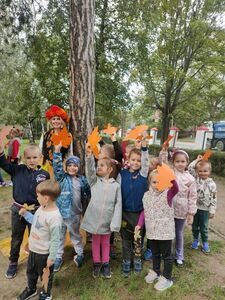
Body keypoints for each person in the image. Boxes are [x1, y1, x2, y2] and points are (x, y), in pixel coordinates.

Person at [0, 143, 50, 279]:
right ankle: (13, 261)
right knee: (16, 238)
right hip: (18, 209)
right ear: (23, 158)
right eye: (28, 158)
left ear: (40, 158)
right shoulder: (17, 170)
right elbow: (4, 164)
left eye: (35, 157)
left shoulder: (44, 174)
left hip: (35, 211)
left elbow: (47, 193)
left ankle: (36, 262)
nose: (32, 160)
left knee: (36, 237)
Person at [80, 143, 122, 279]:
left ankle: (106, 264)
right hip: (94, 219)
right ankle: (96, 263)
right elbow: (90, 171)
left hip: (107, 221)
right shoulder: (94, 182)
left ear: (110, 169)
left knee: (105, 242)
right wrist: (89, 156)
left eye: (102, 166)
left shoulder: (116, 186)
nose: (98, 167)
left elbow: (118, 205)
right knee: (96, 241)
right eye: (98, 165)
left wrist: (115, 222)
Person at [16, 179, 62, 300]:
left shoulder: (54, 218)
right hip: (33, 250)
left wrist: (52, 257)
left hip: (44, 254)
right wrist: (26, 214)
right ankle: (31, 289)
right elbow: (36, 223)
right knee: (31, 272)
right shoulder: (41, 208)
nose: (36, 198)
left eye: (37, 196)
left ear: (46, 198)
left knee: (45, 275)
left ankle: (46, 293)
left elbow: (55, 240)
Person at [135, 170, 178, 291]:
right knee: (155, 253)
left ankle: (167, 278)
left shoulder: (168, 194)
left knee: (167, 256)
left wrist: (170, 177)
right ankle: (156, 271)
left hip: (165, 232)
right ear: (150, 182)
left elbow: (176, 188)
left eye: (161, 182)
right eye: (154, 182)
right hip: (152, 231)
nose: (157, 185)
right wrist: (139, 224)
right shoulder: (147, 195)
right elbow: (144, 211)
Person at [52, 142, 91, 272]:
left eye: (75, 165)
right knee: (59, 235)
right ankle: (57, 257)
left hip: (75, 214)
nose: (72, 168)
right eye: (70, 165)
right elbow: (57, 168)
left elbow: (87, 193)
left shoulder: (82, 180)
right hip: (61, 213)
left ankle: (79, 253)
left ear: (79, 167)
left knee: (75, 234)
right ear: (66, 167)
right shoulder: (62, 178)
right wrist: (57, 152)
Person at [119, 140, 149, 277]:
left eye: (139, 160)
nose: (136, 162)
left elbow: (146, 160)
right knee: (126, 240)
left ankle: (137, 260)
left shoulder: (143, 174)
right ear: (128, 160)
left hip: (139, 214)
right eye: (133, 160)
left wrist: (144, 148)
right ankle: (126, 261)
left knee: (138, 239)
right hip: (124, 214)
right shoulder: (122, 174)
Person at [172, 149, 197, 267]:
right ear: (173, 162)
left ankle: (179, 256)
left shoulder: (190, 179)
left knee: (179, 233)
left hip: (182, 210)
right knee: (167, 232)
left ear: (187, 162)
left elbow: (192, 197)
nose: (180, 164)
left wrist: (191, 213)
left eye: (183, 161)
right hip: (169, 208)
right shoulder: (170, 174)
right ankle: (166, 253)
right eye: (177, 161)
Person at [188, 157, 217, 254]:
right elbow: (190, 168)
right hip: (195, 208)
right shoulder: (195, 179)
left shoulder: (212, 184)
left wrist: (212, 210)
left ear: (209, 171)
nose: (202, 173)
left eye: (205, 171)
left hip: (205, 209)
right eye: (200, 171)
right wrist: (196, 160)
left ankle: (204, 242)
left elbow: (214, 198)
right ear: (197, 171)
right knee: (195, 226)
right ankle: (196, 240)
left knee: (204, 227)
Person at [39, 105, 72, 177]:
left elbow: (70, 153)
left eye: (58, 119)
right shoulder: (46, 135)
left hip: (62, 168)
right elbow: (42, 153)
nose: (56, 121)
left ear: (62, 121)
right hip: (48, 168)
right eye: (54, 119)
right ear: (51, 121)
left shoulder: (67, 135)